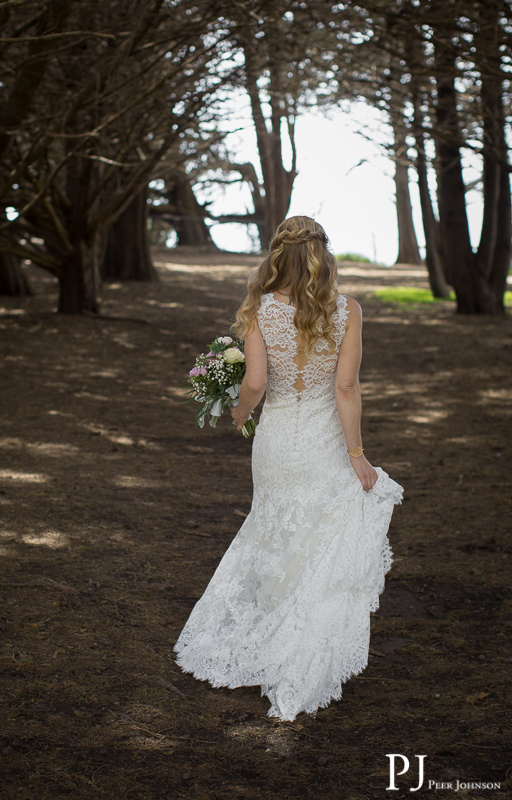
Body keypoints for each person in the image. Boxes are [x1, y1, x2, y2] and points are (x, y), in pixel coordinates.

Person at [174, 215, 403, 721]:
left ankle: (273, 636)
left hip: (277, 440)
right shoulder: (347, 311)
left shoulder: (260, 310)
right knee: (317, 534)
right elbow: (345, 388)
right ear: (323, 254)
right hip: (323, 441)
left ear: (277, 254)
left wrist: (239, 411)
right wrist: (357, 454)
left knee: (274, 530)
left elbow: (255, 381)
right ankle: (301, 638)